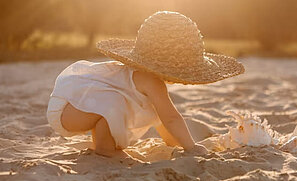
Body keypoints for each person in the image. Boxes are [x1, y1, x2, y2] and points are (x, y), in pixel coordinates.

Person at [46, 11, 245, 158]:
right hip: (73, 113)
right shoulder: (152, 82)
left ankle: (104, 147)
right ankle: (104, 151)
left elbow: (162, 122)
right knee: (114, 102)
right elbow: (171, 118)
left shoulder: (136, 75)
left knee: (115, 102)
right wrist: (192, 147)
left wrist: (176, 145)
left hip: (70, 108)